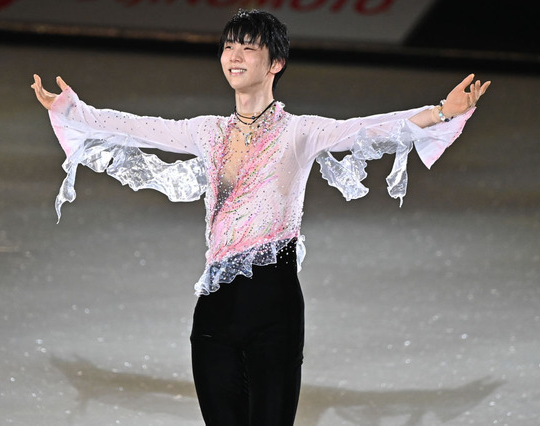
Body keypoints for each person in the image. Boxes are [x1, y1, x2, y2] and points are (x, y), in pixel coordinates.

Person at [31, 9, 489, 426]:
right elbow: (136, 126)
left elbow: (368, 128)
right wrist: (73, 111)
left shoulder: (301, 132)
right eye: (229, 46)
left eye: (248, 48)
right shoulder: (206, 131)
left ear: (275, 64)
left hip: (275, 310)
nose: (234, 56)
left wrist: (442, 112)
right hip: (214, 314)